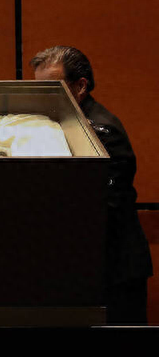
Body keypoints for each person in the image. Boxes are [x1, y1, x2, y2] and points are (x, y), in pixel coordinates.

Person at [30, 45, 153, 324]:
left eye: (52, 87)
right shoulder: (69, 122)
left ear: (80, 86)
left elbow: (103, 203)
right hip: (87, 264)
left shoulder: (101, 131)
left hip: (114, 268)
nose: (42, 96)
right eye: (39, 88)